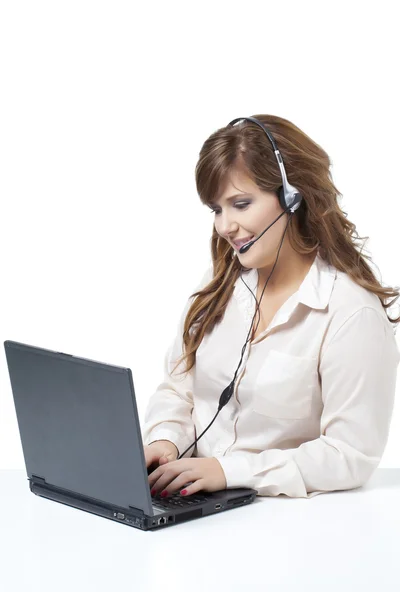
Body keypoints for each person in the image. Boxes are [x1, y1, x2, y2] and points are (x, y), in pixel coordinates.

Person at [142, 114, 400, 500]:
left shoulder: (349, 313)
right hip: (193, 507)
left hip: (285, 522)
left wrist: (228, 472)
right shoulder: (219, 290)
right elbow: (179, 390)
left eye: (241, 204)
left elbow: (351, 454)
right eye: (216, 209)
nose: (225, 225)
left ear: (292, 198)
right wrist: (166, 442)